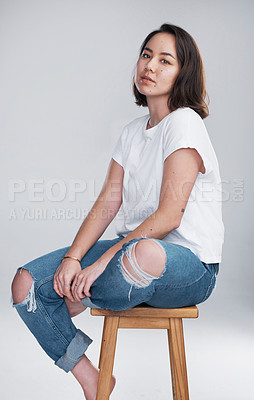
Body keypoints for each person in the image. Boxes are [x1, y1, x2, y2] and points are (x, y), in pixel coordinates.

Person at [11, 23, 224, 399]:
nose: (151, 66)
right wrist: (74, 258)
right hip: (129, 256)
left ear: (183, 73)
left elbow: (169, 216)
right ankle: (94, 380)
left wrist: (100, 263)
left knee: (140, 254)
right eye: (146, 55)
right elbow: (109, 202)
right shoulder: (131, 132)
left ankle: (77, 292)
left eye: (165, 60)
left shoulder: (185, 123)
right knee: (26, 284)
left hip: (190, 266)